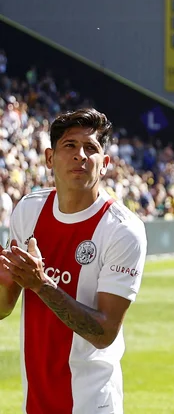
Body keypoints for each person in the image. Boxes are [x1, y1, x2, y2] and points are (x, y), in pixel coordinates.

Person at [0, 108, 148, 414]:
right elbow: (3, 307)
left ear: (105, 163)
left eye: (91, 148)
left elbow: (105, 333)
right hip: (36, 398)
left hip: (90, 401)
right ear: (50, 158)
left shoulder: (122, 230)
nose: (80, 155)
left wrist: (42, 285)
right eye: (70, 145)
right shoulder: (28, 211)